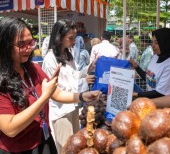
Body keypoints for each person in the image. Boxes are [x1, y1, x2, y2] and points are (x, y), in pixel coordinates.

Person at [0, 17, 100, 154]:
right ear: (5, 45)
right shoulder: (2, 81)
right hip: (18, 149)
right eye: (21, 44)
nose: (28, 48)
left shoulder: (32, 69)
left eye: (31, 42)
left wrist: (82, 96)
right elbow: (10, 128)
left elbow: (56, 93)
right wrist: (44, 97)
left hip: (42, 139)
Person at [42, 19, 96, 153]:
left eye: (74, 38)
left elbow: (74, 75)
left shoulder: (68, 55)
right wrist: (84, 82)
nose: (73, 41)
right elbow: (58, 90)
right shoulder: (50, 59)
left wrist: (87, 70)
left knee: (76, 146)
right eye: (70, 38)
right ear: (59, 37)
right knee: (66, 148)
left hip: (73, 107)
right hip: (61, 111)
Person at [130, 28, 170, 98]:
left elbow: (161, 93)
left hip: (163, 107)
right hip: (152, 103)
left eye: (157, 43)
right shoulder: (155, 57)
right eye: (153, 42)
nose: (153, 45)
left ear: (166, 43)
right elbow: (148, 78)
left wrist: (136, 94)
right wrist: (136, 67)